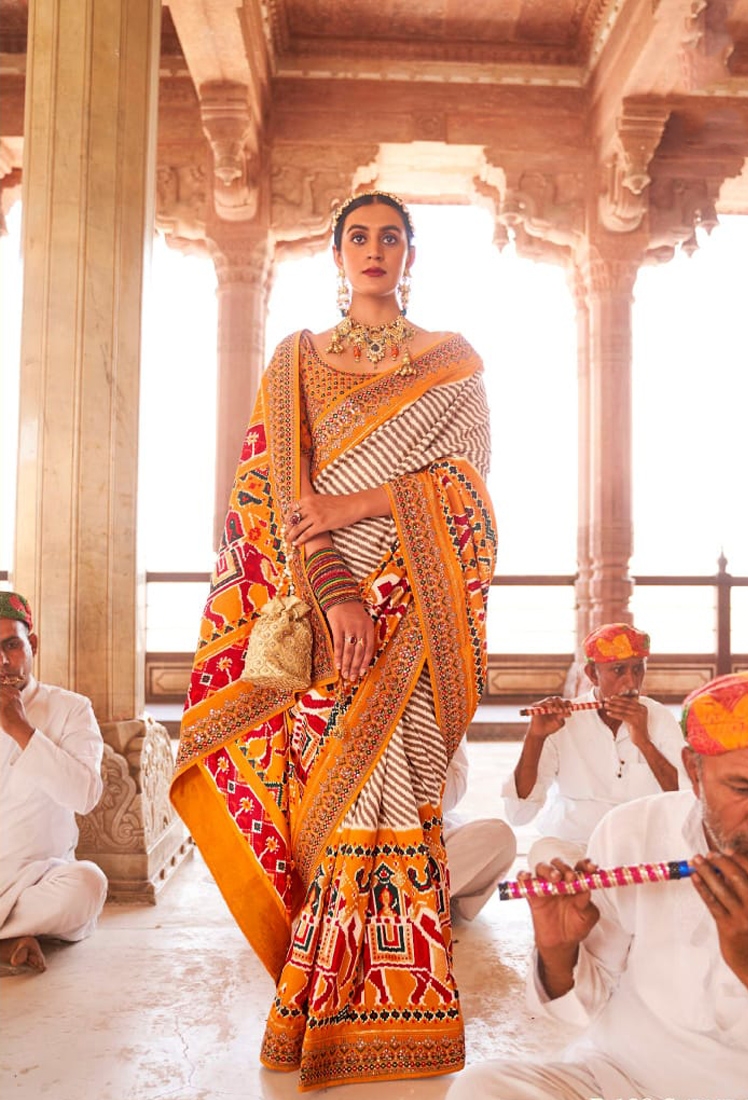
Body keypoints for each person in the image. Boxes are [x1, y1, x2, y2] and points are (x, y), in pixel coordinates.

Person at [170, 191, 497, 1090]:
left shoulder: (451, 361)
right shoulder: (297, 362)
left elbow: (466, 487)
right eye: (359, 236)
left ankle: (408, 1005)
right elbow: (278, 498)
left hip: (420, 614)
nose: (375, 249)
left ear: (411, 252)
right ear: (337, 253)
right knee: (341, 802)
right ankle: (324, 1005)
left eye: (391, 236)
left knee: (403, 798)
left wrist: (360, 504)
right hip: (329, 615)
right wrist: (338, 595)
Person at [448, 669, 748, 1100]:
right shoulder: (635, 829)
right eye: (741, 788)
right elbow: (584, 1006)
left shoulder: (652, 718)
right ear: (695, 770)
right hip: (619, 1077)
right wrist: (560, 953)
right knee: (484, 1087)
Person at [503, 622, 687, 866]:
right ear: (592, 674)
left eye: (638, 670)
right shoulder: (562, 721)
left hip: (642, 847)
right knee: (544, 853)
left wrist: (643, 741)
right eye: (619, 670)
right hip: (576, 845)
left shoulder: (658, 717)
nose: (631, 683)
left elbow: (686, 800)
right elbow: (518, 814)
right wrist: (535, 738)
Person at [0, 591, 107, 974]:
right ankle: (9, 940)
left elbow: (85, 796)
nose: (1, 660)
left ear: (32, 644)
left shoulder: (71, 708)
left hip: (38, 879)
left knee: (87, 885)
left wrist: (21, 729)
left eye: (10, 645)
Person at [444, 739, 517, 921]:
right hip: (364, 844)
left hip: (421, 842)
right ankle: (415, 898)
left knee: (498, 838)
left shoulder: (445, 713)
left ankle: (394, 898)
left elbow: (448, 796)